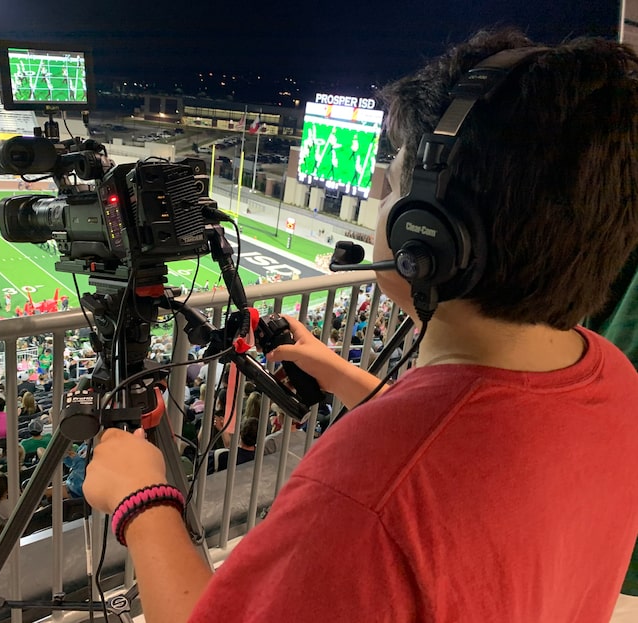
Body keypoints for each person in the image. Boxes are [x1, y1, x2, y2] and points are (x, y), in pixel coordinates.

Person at [82, 32, 638, 623]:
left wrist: (141, 498)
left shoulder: (366, 493)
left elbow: (414, 474)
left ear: (427, 234)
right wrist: (335, 369)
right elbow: (467, 446)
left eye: (393, 185)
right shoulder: (612, 377)